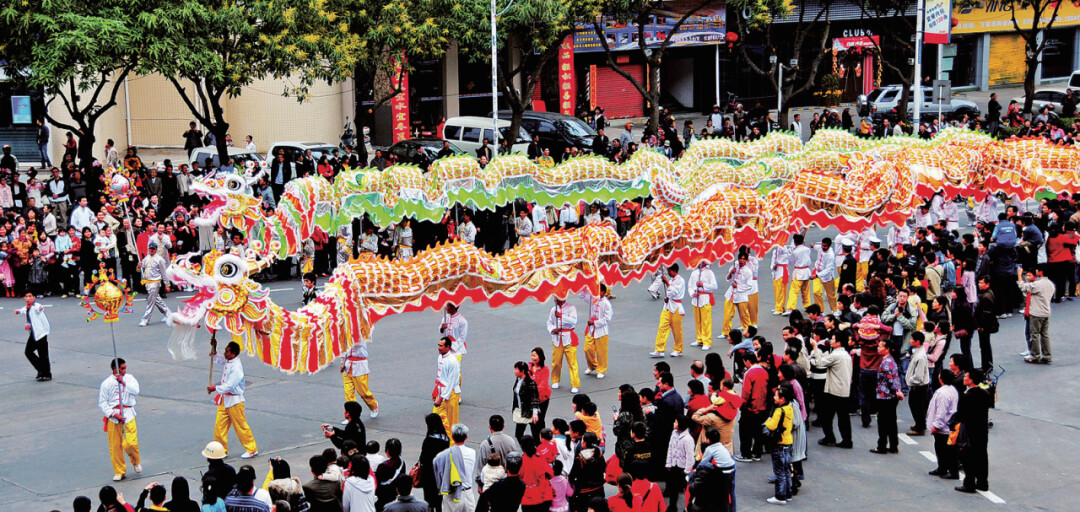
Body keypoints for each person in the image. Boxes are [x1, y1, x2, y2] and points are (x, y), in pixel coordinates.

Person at [207, 339, 259, 459]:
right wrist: (214, 347)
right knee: (219, 426)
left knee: (240, 426)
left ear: (233, 354)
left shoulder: (236, 368)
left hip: (235, 402)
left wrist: (215, 388)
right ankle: (221, 450)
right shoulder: (229, 361)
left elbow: (230, 385)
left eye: (226, 351)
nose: (224, 353)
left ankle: (252, 448)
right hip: (224, 400)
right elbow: (217, 359)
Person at [100, 357, 142, 481]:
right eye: (122, 368)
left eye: (125, 368)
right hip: (114, 417)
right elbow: (103, 403)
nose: (124, 370)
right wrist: (113, 414)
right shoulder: (106, 383)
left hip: (128, 414)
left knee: (130, 442)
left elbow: (136, 391)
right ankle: (119, 470)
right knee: (115, 446)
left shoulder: (130, 378)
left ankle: (135, 461)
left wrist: (124, 382)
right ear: (115, 369)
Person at [810, 333, 852, 448]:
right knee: (843, 418)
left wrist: (814, 347)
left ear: (838, 343)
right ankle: (846, 440)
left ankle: (829, 437)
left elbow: (819, 363)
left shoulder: (836, 355)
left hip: (834, 390)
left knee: (826, 416)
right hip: (843, 389)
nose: (831, 340)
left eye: (833, 339)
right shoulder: (845, 355)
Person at [954, 369, 993, 493]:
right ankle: (982, 482)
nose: (964, 378)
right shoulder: (985, 393)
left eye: (966, 376)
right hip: (982, 430)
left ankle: (969, 483)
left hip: (970, 430)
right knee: (981, 456)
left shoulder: (967, 396)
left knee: (968, 457)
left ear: (971, 380)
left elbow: (961, 414)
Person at [434, 424, 479, 512]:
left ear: (452, 437)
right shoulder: (472, 452)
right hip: (467, 494)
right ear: (466, 437)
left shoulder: (445, 455)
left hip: (451, 495)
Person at [870, 341, 904, 455]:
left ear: (887, 349)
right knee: (891, 422)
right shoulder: (891, 360)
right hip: (892, 396)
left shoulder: (885, 363)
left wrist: (897, 391)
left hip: (885, 397)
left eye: (880, 346)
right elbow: (896, 378)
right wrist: (898, 391)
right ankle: (894, 446)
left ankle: (882, 446)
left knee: (883, 423)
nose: (878, 348)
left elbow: (890, 380)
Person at [764, 384, 795, 505]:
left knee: (779, 471)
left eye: (776, 396)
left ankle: (780, 496)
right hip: (788, 441)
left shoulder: (778, 410)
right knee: (787, 470)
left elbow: (771, 425)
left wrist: (768, 420)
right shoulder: (789, 408)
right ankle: (788, 492)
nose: (774, 397)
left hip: (779, 443)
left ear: (782, 398)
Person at [735, 352, 768, 462]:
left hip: (750, 407)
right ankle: (757, 453)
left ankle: (746, 454)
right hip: (762, 406)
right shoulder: (764, 371)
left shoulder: (749, 374)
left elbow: (746, 393)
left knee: (744, 431)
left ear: (748, 361)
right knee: (758, 431)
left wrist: (742, 404)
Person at [1017, 266, 1055, 364]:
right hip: (1046, 312)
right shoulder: (1050, 284)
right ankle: (1047, 355)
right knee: (1045, 335)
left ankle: (1035, 355)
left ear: (1041, 272)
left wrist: (1019, 275)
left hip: (1037, 313)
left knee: (1034, 334)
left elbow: (1023, 287)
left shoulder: (1038, 284)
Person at [927, 370, 960, 480]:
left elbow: (941, 412)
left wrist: (936, 426)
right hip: (948, 426)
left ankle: (951, 471)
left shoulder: (943, 393)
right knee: (942, 449)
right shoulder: (952, 390)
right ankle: (942, 468)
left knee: (945, 450)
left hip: (943, 427)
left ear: (941, 379)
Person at [650, 264, 686, 357]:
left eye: (669, 271)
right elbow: (670, 294)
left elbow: (675, 292)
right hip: (668, 306)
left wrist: (667, 283)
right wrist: (666, 298)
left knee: (677, 330)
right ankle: (659, 350)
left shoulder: (680, 281)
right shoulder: (671, 280)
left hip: (676, 307)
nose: (668, 273)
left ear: (674, 271)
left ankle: (678, 349)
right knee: (662, 327)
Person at [547, 296, 580, 392]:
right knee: (556, 362)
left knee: (572, 362)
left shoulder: (571, 308)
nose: (556, 299)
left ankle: (575, 384)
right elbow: (549, 323)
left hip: (568, 337)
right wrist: (553, 330)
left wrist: (561, 316)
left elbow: (573, 321)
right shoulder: (553, 309)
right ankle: (555, 380)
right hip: (557, 338)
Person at [16, 292, 51, 381]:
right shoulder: (27, 308)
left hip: (41, 333)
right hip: (34, 333)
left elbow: (39, 309)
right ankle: (41, 369)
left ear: (34, 297)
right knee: (28, 352)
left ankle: (46, 374)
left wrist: (40, 308)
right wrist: (18, 311)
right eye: (26, 296)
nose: (28, 298)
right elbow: (23, 310)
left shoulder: (36, 306)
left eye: (30, 296)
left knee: (43, 354)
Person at [340, 340, 379, 418]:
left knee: (363, 392)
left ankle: (373, 406)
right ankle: (351, 416)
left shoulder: (362, 333)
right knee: (348, 394)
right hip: (348, 366)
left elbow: (357, 343)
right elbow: (343, 348)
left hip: (360, 367)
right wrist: (342, 363)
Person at [419, 413, 450, 511]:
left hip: (429, 473)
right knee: (439, 499)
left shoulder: (428, 440)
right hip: (442, 472)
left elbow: (423, 458)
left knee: (430, 499)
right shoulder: (445, 439)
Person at [581, 284, 613, 379]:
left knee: (601, 352)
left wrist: (595, 323)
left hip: (601, 331)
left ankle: (601, 370)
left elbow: (607, 318)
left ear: (603, 292)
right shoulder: (592, 299)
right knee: (587, 349)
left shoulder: (606, 304)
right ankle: (592, 366)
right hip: (591, 330)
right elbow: (582, 296)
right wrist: (584, 288)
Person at [432, 336, 462, 436]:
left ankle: (452, 445)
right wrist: (436, 390)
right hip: (442, 392)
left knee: (452, 423)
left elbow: (451, 382)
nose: (439, 348)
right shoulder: (440, 357)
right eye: (438, 345)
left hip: (451, 394)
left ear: (448, 347)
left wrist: (441, 398)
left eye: (441, 346)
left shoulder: (453, 361)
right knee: (435, 417)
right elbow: (440, 377)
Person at [721, 252, 753, 340]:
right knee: (727, 314)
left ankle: (748, 331)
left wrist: (738, 287)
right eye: (740, 258)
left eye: (743, 259)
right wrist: (731, 273)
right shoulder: (734, 267)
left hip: (741, 295)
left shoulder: (748, 271)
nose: (741, 261)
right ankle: (726, 332)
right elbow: (727, 279)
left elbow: (749, 286)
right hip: (731, 293)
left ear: (746, 260)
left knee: (744, 315)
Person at [138, 242, 170, 326]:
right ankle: (169, 315)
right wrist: (139, 266)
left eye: (153, 249)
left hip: (155, 283)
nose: (151, 250)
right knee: (157, 300)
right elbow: (141, 269)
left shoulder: (160, 259)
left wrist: (167, 284)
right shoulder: (146, 258)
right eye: (150, 249)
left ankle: (145, 320)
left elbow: (164, 273)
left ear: (156, 250)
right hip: (147, 282)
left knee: (150, 302)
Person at [905, 332, 931, 436]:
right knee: (918, 406)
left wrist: (910, 380)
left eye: (912, 339)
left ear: (918, 341)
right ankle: (919, 424)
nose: (910, 341)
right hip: (918, 385)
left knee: (917, 407)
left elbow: (919, 376)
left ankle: (920, 428)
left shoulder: (920, 356)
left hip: (918, 386)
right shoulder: (917, 352)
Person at [512, 362, 542, 440]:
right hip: (521, 411)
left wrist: (535, 413)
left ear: (522, 371)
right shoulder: (518, 380)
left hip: (530, 412)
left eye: (516, 369)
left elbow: (535, 398)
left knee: (536, 435)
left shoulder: (531, 383)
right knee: (518, 434)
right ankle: (527, 449)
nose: (514, 371)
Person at [439, 303, 469, 382]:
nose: (446, 307)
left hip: (456, 351)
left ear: (453, 307)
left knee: (455, 371)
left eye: (448, 306)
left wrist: (451, 345)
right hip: (446, 349)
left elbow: (462, 338)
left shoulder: (462, 321)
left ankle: (456, 392)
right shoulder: (445, 318)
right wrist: (442, 328)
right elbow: (441, 332)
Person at [786, 234, 812, 314]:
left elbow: (791, 262)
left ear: (795, 242)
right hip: (807, 271)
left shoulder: (795, 251)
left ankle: (790, 307)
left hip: (799, 272)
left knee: (794, 291)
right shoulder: (807, 249)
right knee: (806, 290)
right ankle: (807, 306)